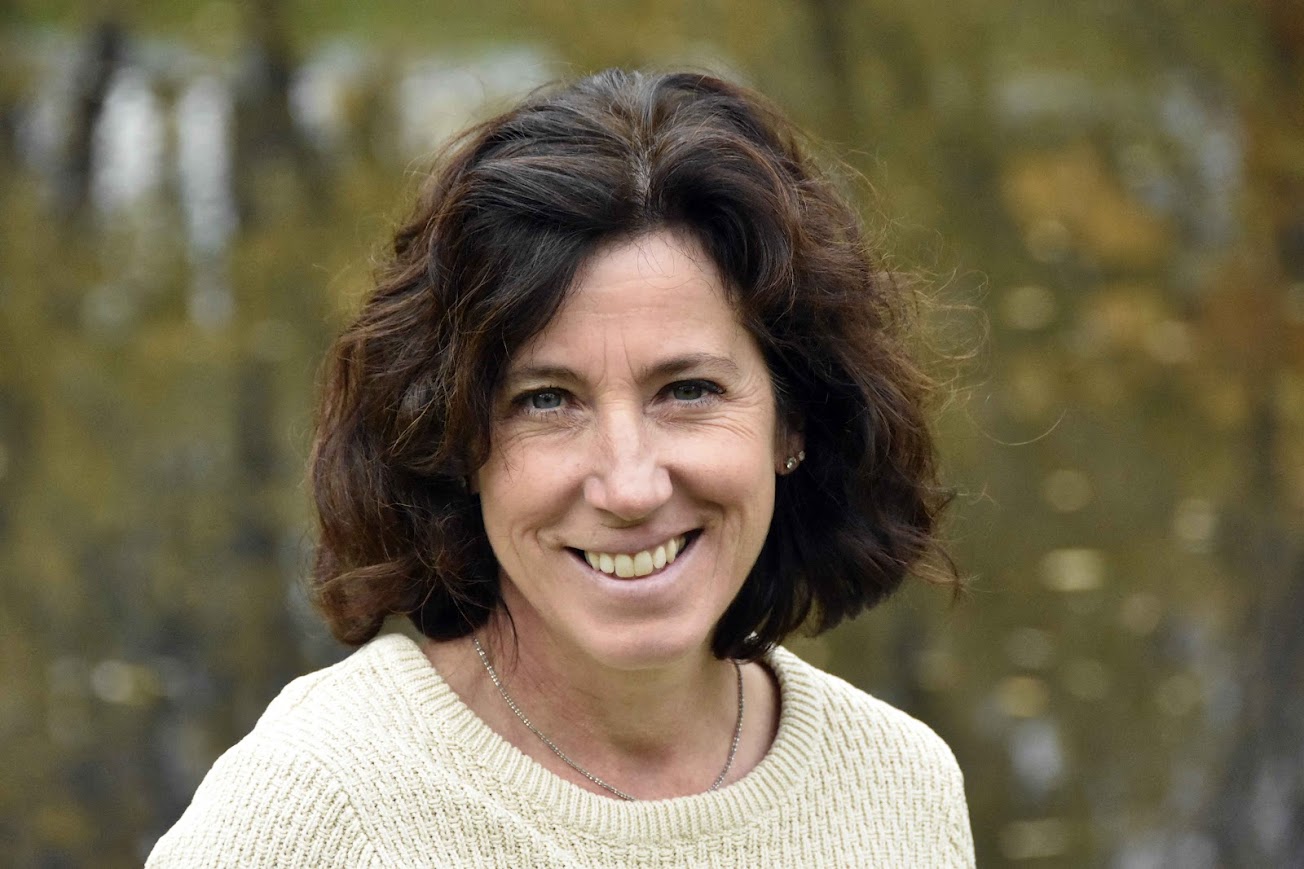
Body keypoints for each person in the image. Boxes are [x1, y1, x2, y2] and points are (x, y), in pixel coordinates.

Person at [148, 68, 975, 867]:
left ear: (793, 420)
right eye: (547, 400)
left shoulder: (899, 786)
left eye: (687, 390)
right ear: (454, 441)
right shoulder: (315, 807)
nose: (629, 486)